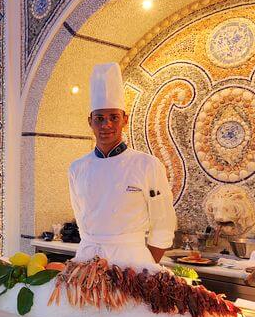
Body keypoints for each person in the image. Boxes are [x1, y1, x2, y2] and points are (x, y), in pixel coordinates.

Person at [67, 63, 176, 270]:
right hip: (88, 258)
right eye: (99, 118)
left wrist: (144, 269)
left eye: (113, 117)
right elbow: (81, 219)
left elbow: (163, 224)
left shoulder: (147, 165)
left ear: (124, 120)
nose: (106, 125)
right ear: (90, 122)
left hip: (132, 262)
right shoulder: (77, 168)